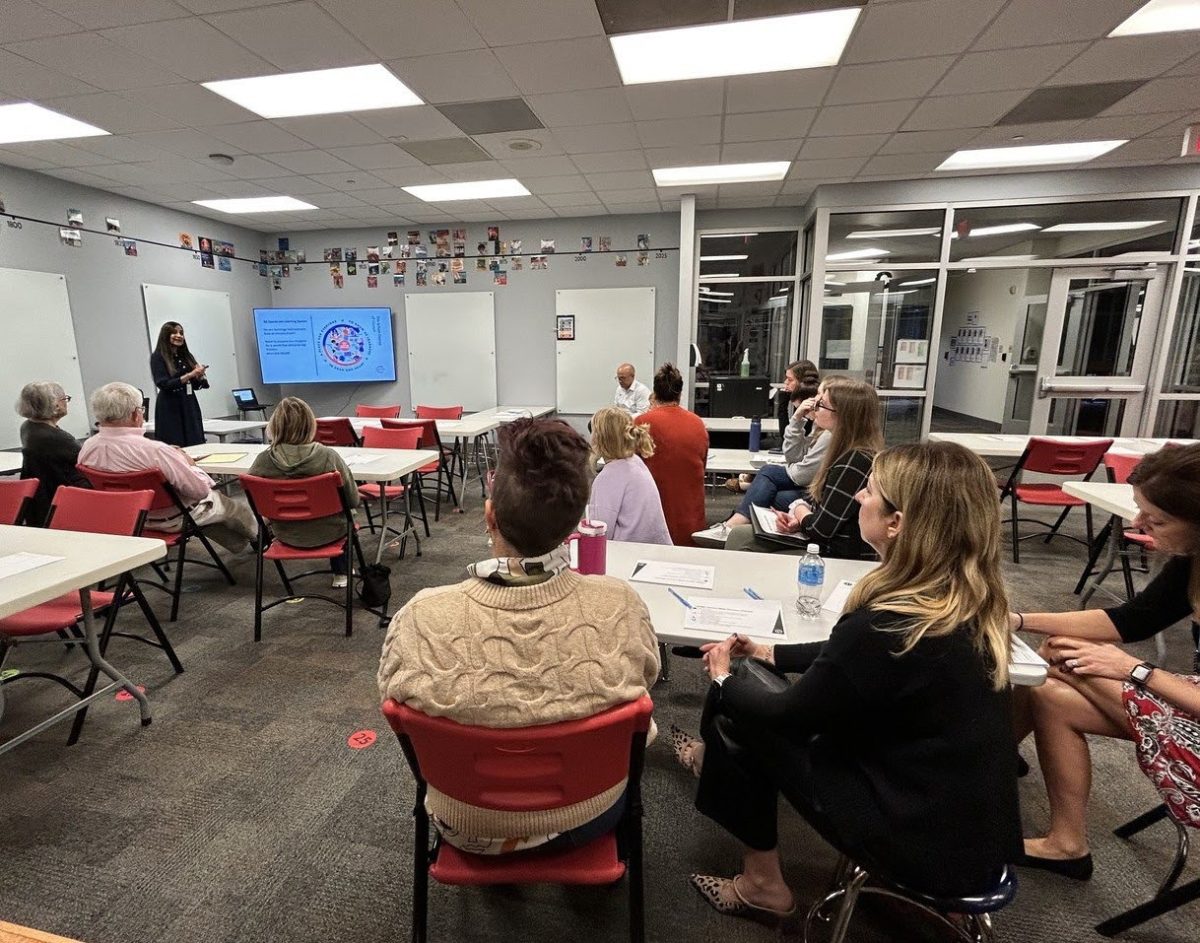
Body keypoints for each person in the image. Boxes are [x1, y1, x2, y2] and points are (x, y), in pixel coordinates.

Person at [673, 441, 1021, 920]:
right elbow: (852, 662)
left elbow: (788, 717)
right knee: (752, 678)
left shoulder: (885, 623)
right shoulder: (966, 605)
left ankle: (762, 887)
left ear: (897, 523)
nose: (858, 496)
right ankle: (708, 758)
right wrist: (769, 650)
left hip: (914, 839)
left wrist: (720, 680)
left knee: (739, 716)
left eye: (871, 490)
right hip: (971, 835)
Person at [377, 418, 660, 855]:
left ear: (490, 516)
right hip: (590, 811)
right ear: (575, 526)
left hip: (464, 823)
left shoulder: (420, 617)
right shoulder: (622, 606)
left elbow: (396, 703)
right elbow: (646, 680)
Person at [1015, 443, 1200, 881]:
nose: (1138, 526)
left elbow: (1126, 647)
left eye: (1155, 520)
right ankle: (1066, 844)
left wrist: (1132, 669)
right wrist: (1018, 619)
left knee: (1060, 664)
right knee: (1052, 683)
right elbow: (1132, 620)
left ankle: (980, 766)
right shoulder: (1192, 560)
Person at [695, 380, 881, 560]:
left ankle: (731, 530)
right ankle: (734, 524)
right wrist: (798, 518)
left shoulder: (852, 462)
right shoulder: (843, 448)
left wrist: (798, 509)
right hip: (821, 536)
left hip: (831, 552)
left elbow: (820, 528)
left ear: (843, 415)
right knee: (757, 512)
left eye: (821, 404)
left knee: (742, 535)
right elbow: (797, 461)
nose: (815, 407)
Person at [77, 382, 256, 552]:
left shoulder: (87, 449)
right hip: (174, 518)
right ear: (135, 414)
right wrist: (189, 464)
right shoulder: (155, 451)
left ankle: (240, 544)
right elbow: (199, 491)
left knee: (209, 511)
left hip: (132, 518)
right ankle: (259, 539)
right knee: (226, 504)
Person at [247, 397, 361, 588]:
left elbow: (257, 504)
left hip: (286, 534)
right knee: (348, 514)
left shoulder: (263, 460)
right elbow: (352, 499)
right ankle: (341, 572)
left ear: (274, 426)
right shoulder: (328, 456)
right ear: (310, 425)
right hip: (331, 533)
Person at [634, 364, 709, 547]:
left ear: (655, 393)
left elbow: (631, 470)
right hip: (692, 523)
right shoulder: (697, 424)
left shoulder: (642, 423)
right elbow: (702, 466)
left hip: (653, 522)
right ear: (680, 394)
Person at [725, 360, 821, 494]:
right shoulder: (799, 401)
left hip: (803, 467)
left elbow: (788, 441)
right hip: (794, 454)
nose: (785, 383)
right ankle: (751, 481)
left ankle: (751, 483)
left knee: (767, 466)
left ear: (801, 382)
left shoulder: (812, 409)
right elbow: (788, 436)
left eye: (789, 380)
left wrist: (786, 408)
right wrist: (784, 404)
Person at [588, 405, 671, 545]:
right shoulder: (635, 462)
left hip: (629, 554)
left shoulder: (607, 478)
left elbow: (598, 535)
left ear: (598, 439)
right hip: (656, 550)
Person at [15, 381, 89, 525]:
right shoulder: (57, 438)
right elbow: (85, 461)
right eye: (64, 399)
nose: (66, 403)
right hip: (67, 498)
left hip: (41, 502)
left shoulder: (28, 428)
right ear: (55, 404)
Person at [150, 321, 208, 447]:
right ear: (166, 335)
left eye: (181, 333)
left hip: (188, 404)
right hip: (170, 407)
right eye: (174, 332)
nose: (179, 335)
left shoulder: (186, 356)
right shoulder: (158, 357)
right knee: (175, 442)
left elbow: (196, 386)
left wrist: (199, 376)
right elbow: (164, 384)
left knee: (195, 441)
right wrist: (190, 374)